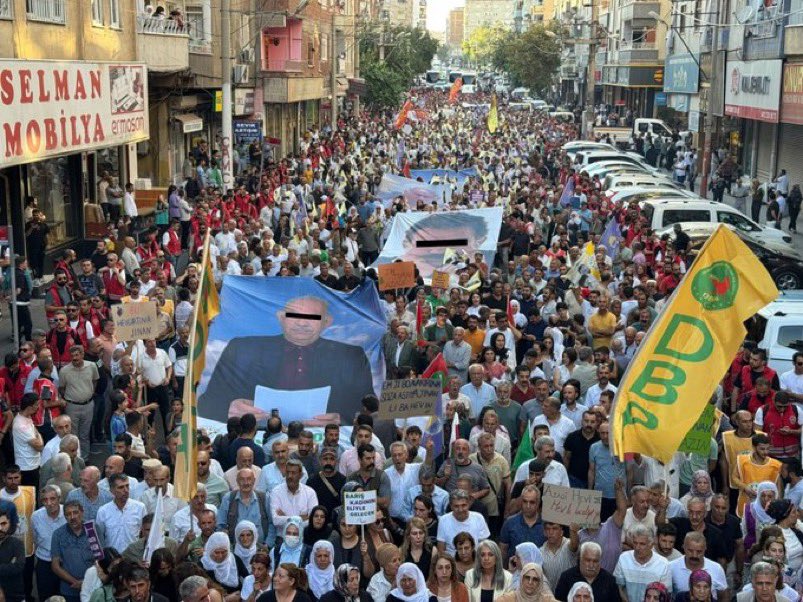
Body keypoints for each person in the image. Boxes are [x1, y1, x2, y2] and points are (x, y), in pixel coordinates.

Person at [200, 296, 375, 423]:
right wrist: (229, 408)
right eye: (294, 315)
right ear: (281, 318)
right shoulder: (242, 349)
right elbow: (207, 403)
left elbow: (369, 408)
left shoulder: (351, 357)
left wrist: (341, 419)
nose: (302, 323)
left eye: (313, 317)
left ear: (327, 322)